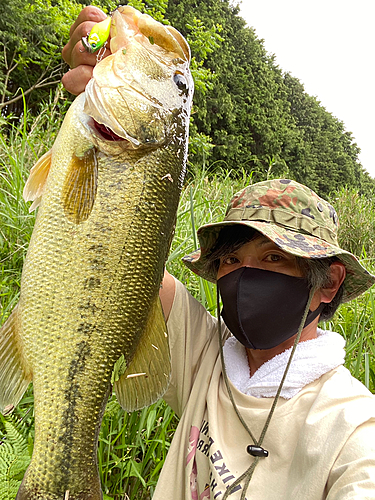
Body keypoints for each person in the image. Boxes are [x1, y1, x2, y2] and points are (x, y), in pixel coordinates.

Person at [62, 8, 375, 499]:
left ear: (329, 282)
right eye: (231, 260)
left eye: (274, 259)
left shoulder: (354, 430)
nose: (244, 275)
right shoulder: (209, 353)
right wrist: (112, 84)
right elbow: (122, 257)